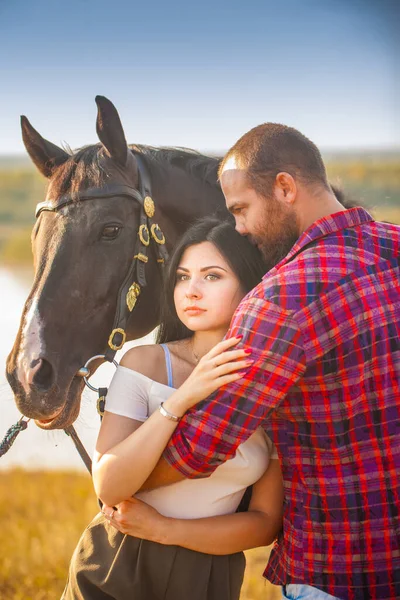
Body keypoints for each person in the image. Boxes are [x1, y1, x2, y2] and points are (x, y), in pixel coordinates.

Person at [137, 124, 400, 600]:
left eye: (240, 209)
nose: (237, 228)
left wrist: (122, 479)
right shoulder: (395, 245)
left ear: (284, 187)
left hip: (341, 574)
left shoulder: (280, 298)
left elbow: (201, 446)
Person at [62, 217, 284, 600]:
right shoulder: (144, 363)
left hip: (209, 574)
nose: (191, 291)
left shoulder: (272, 385)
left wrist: (165, 528)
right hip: (118, 565)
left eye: (212, 277)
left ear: (250, 285)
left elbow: (265, 524)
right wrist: (181, 399)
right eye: (182, 277)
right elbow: (109, 485)